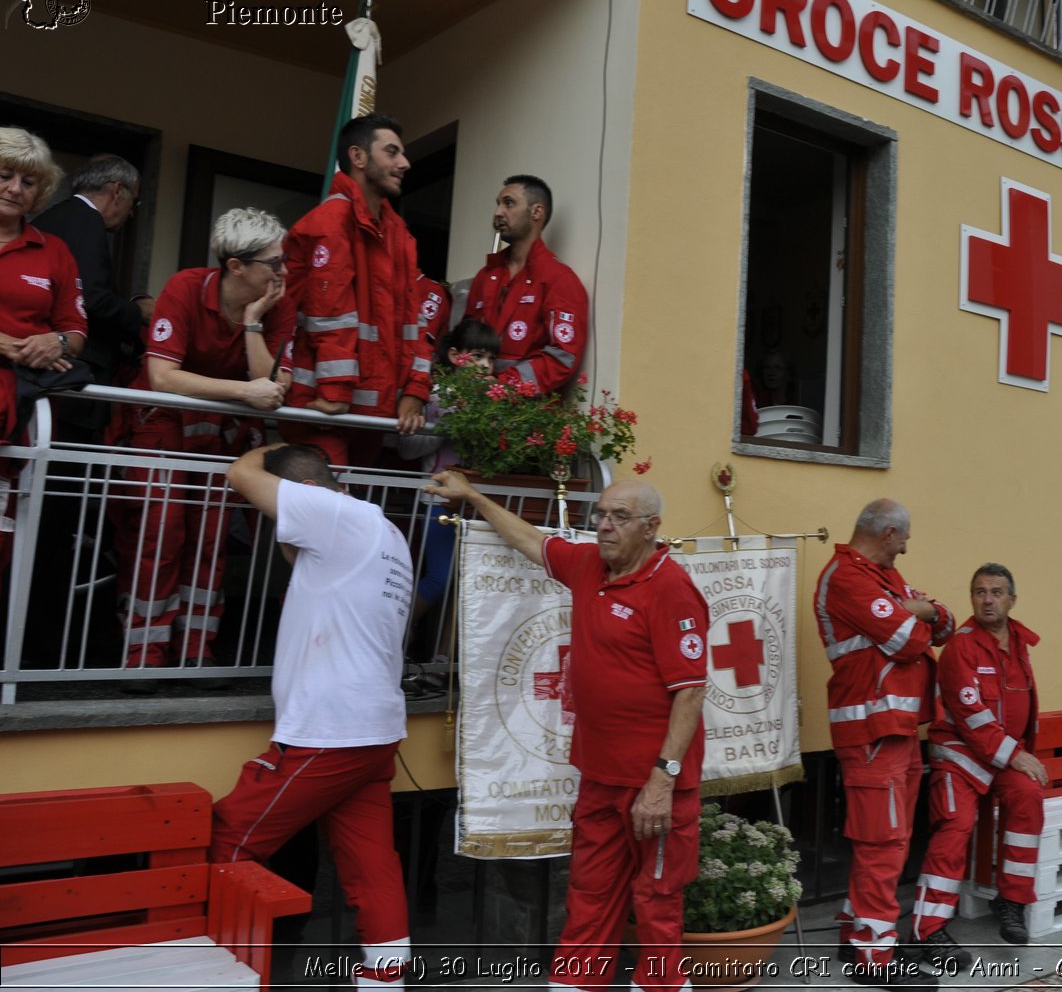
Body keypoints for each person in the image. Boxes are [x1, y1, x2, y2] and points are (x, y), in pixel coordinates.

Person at [424, 471, 706, 992]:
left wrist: (662, 782)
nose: (603, 526)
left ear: (651, 527)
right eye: (599, 514)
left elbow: (690, 691)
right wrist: (473, 496)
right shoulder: (589, 566)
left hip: (655, 784)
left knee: (657, 900)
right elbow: (531, 539)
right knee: (590, 893)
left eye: (619, 517)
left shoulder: (671, 589)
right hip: (600, 774)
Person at [213, 444, 413, 987]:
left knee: (229, 836)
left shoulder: (333, 513)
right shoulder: (382, 531)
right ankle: (385, 979)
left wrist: (270, 438)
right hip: (371, 731)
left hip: (331, 731)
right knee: (371, 865)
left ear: (302, 494)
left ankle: (209, 968)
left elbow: (239, 474)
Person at [114, 208, 293, 689]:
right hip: (163, 426)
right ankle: (143, 653)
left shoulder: (278, 303)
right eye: (273, 263)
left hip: (220, 432)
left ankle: (197, 651)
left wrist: (254, 322)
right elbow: (162, 376)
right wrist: (242, 393)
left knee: (210, 540)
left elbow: (274, 385)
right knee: (162, 532)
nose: (283, 271)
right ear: (236, 265)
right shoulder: (185, 288)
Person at [814, 499, 953, 990]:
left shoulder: (885, 579)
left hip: (898, 731)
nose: (908, 548)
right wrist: (917, 615)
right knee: (883, 844)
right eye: (904, 539)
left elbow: (944, 622)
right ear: (888, 532)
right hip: (871, 733)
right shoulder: (847, 577)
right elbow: (911, 641)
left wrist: (920, 609)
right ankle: (875, 956)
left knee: (885, 840)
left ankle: (857, 932)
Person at [911, 564, 1048, 963]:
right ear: (972, 599)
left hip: (1002, 758)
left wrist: (1022, 757)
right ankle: (928, 929)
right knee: (955, 828)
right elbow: (972, 717)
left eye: (996, 592)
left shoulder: (1019, 640)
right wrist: (1018, 755)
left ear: (1012, 599)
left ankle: (1011, 902)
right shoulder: (960, 647)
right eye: (980, 592)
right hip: (961, 759)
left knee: (1029, 797)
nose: (988, 599)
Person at [282, 112, 429, 466]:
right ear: (358, 157)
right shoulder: (329, 224)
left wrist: (415, 392)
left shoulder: (397, 233)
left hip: (371, 411)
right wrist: (335, 393)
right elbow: (327, 316)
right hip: (324, 409)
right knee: (329, 515)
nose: (404, 163)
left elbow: (414, 323)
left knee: (353, 517)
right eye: (391, 152)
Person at [0, 128, 86, 569]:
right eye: (5, 174)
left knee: (4, 536)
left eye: (27, 182)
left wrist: (57, 340)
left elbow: (75, 328)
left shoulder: (55, 251)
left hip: (16, 411)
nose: (15, 188)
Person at [394, 317, 499, 656]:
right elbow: (407, 448)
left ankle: (442, 661)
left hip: (476, 500)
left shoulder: (491, 399)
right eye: (478, 356)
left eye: (490, 359)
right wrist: (447, 421)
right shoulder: (438, 394)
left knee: (462, 583)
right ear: (455, 356)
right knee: (440, 578)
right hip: (439, 500)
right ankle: (395, 628)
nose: (486, 366)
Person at [30, 153, 149, 435]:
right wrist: (139, 315)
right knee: (68, 473)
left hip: (48, 366)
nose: (132, 212)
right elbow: (93, 299)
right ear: (117, 190)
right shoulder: (86, 220)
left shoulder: (53, 216)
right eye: (136, 201)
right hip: (75, 372)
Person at [463, 175, 587, 392]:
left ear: (536, 212)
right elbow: (464, 340)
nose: (498, 212)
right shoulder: (485, 276)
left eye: (509, 203)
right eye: (498, 204)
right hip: (475, 414)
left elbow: (563, 356)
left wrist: (504, 387)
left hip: (523, 419)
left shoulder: (559, 279)